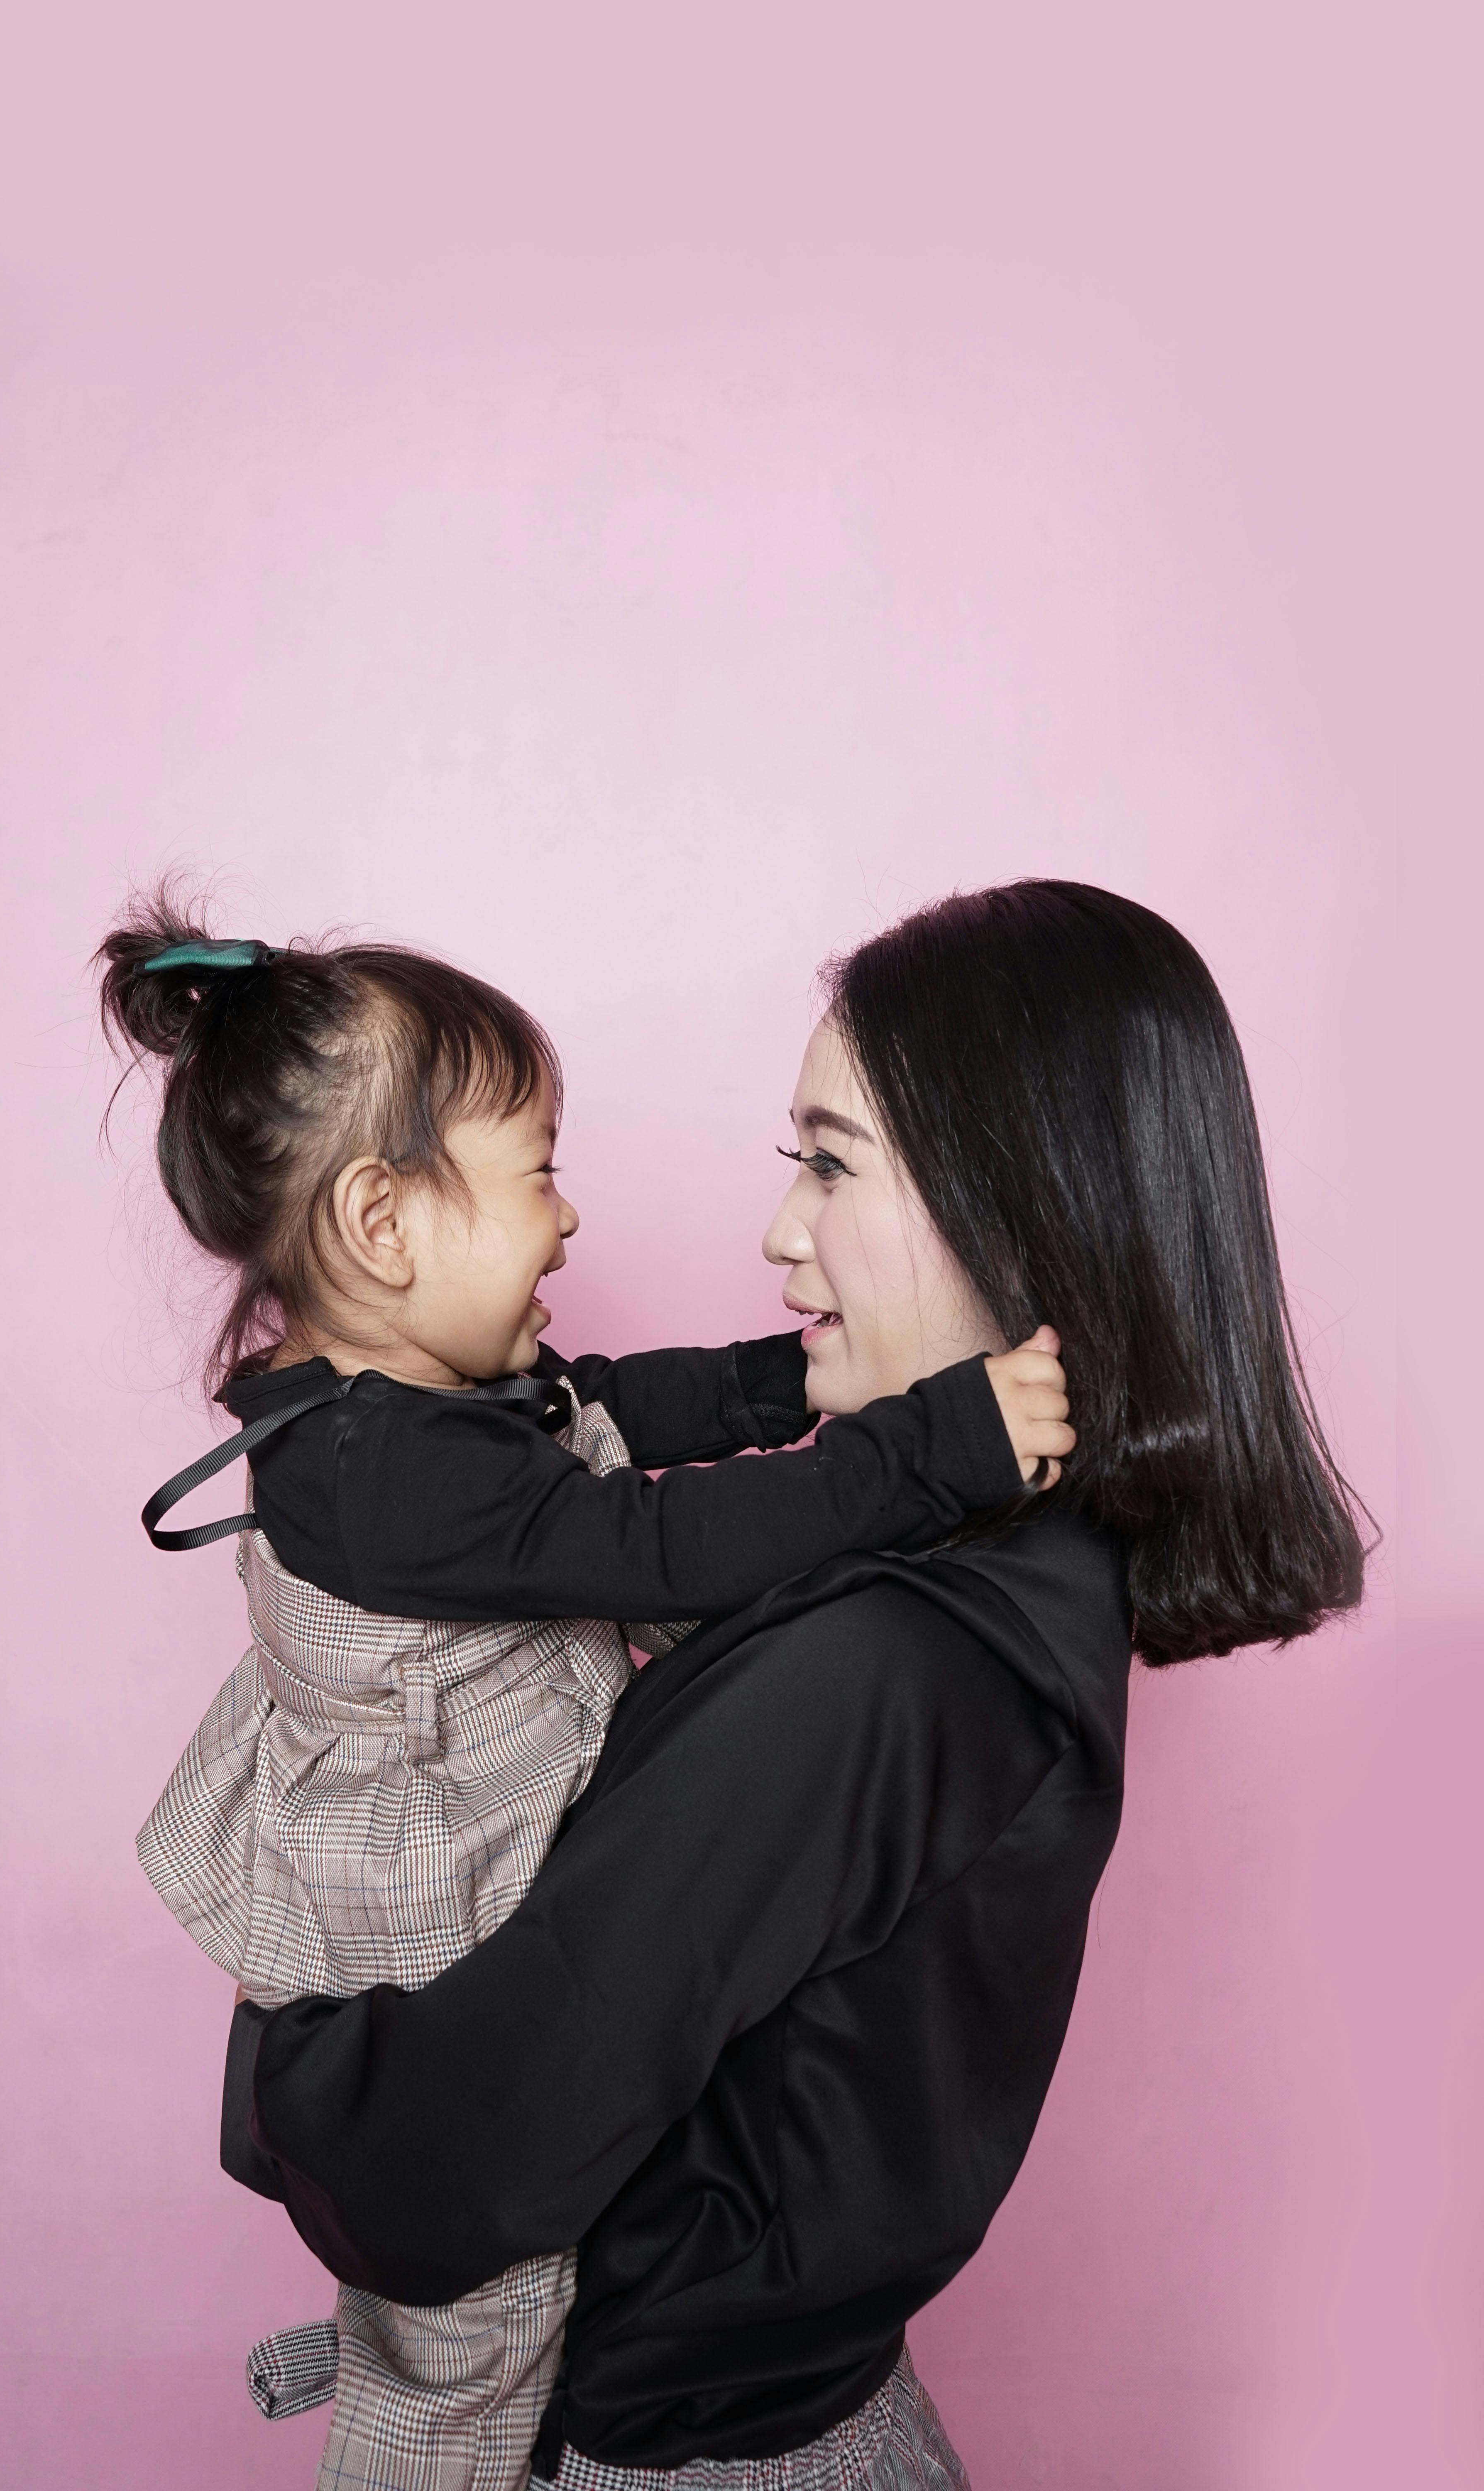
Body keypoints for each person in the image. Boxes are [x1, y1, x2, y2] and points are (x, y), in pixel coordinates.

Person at [237, 880, 1367, 2491]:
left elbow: (435, 2181)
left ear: (1020, 1200)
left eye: (830, 1163)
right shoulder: (1006, 1580)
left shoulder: (876, 1668)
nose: (778, 1231)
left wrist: (279, 2036)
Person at [97, 891, 1074, 2491]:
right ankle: (420, 2413)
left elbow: (602, 1409)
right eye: (537, 1171)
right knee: (482, 2305)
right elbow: (646, 1540)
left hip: (494, 1822)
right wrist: (927, 1443)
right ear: (384, 1225)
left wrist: (781, 1383)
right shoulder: (374, 1474)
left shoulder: (419, 1405)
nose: (566, 1221)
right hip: (423, 1889)